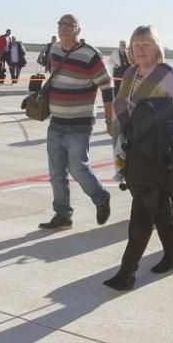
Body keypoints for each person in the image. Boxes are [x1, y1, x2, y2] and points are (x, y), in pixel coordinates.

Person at [104, 24, 173, 290]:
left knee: (142, 214)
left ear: (157, 47)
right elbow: (121, 112)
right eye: (136, 44)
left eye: (146, 43)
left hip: (161, 157)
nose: (141, 49)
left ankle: (127, 272)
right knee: (158, 210)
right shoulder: (129, 74)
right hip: (136, 152)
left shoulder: (168, 75)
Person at [34, 14, 113, 230]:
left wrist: (109, 118)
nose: (64, 28)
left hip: (80, 123)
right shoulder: (55, 50)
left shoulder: (90, 55)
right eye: (61, 24)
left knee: (78, 168)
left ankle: (101, 197)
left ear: (79, 30)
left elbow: (107, 86)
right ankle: (63, 215)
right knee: (56, 173)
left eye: (70, 25)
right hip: (56, 121)